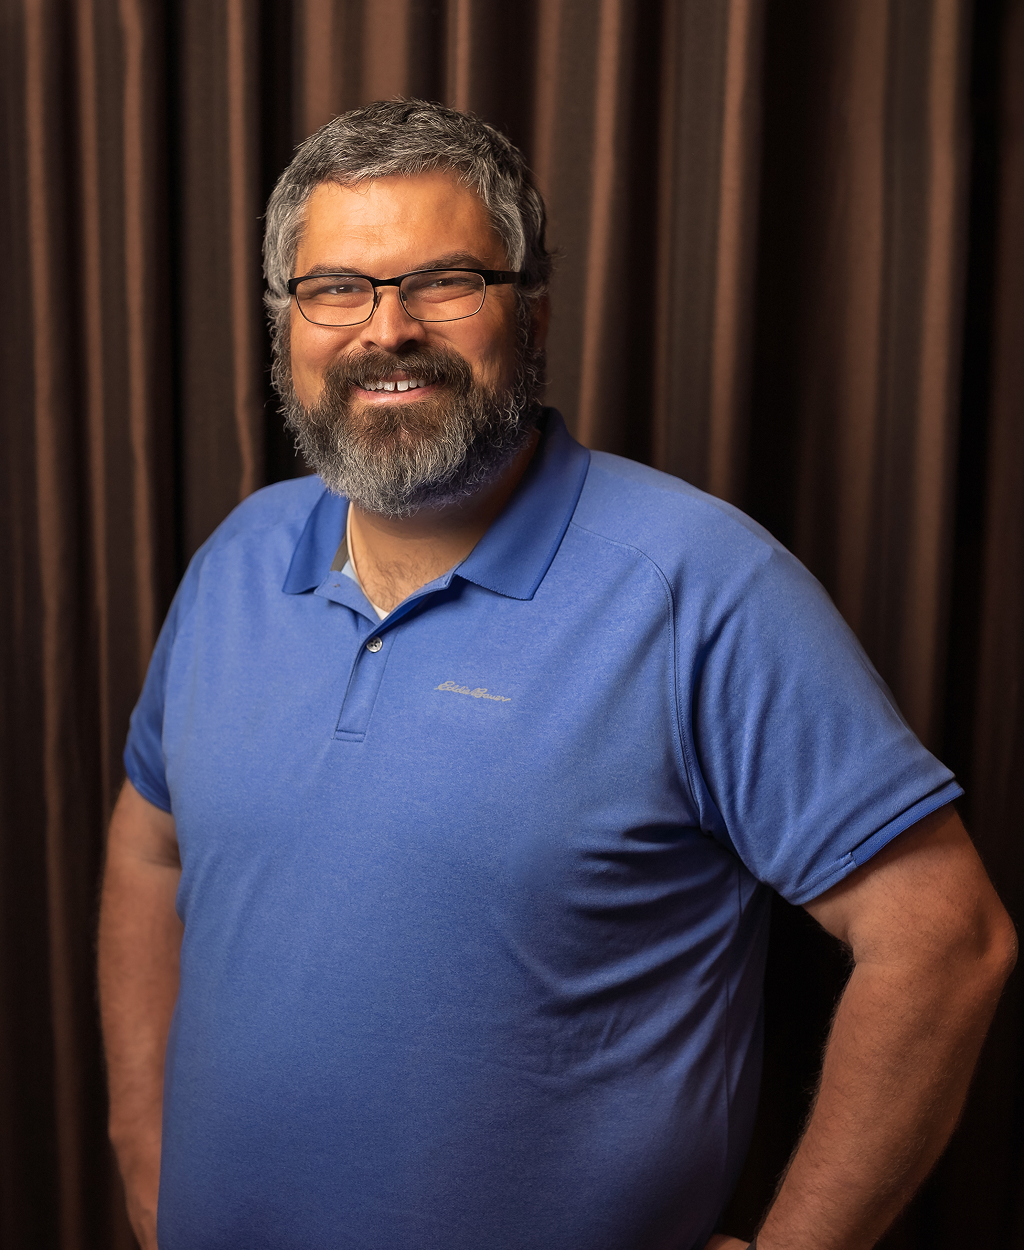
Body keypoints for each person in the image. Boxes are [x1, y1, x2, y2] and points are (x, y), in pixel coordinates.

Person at [98, 100, 1016, 1250]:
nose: (386, 330)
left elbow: (945, 937)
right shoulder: (237, 556)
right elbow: (150, 841)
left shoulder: (697, 584)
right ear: (287, 323)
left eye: (443, 281)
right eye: (337, 286)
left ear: (529, 310)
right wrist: (145, 1153)